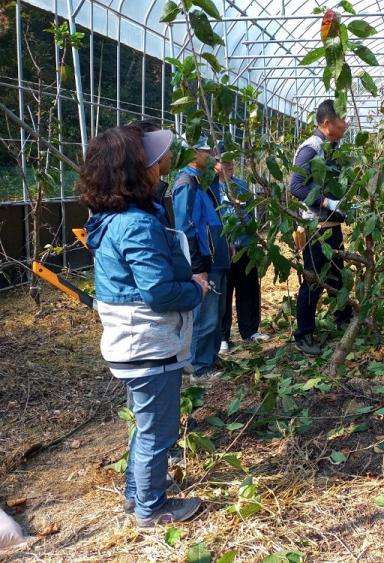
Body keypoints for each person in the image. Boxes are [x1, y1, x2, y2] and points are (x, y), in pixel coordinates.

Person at [79, 126, 205, 527]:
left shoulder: (111, 218)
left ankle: (137, 495)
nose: (161, 162)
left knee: (146, 425)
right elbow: (158, 292)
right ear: (132, 170)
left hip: (132, 345)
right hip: (148, 344)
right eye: (151, 159)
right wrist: (196, 289)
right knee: (158, 432)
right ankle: (152, 508)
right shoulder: (136, 224)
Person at [289, 99, 353, 356]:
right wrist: (326, 202)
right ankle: (303, 334)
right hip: (316, 228)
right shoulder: (311, 149)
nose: (346, 124)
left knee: (337, 273)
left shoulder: (332, 148)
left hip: (332, 224)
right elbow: (296, 186)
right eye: (342, 120)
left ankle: (343, 318)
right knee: (313, 280)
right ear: (327, 123)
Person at [172, 136, 231, 382]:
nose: (212, 156)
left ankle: (210, 357)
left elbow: (215, 218)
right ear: (193, 153)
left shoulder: (204, 181)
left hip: (217, 256)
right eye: (207, 152)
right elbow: (185, 229)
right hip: (205, 260)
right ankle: (198, 367)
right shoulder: (186, 184)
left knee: (217, 313)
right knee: (204, 316)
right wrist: (197, 268)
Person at [210, 142, 270, 352]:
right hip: (224, 249)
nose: (229, 165)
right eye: (224, 162)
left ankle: (250, 330)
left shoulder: (242, 186)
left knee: (248, 289)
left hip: (245, 246)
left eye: (231, 161)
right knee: (224, 293)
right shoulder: (211, 188)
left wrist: (254, 240)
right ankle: (222, 336)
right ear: (214, 163)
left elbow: (250, 215)